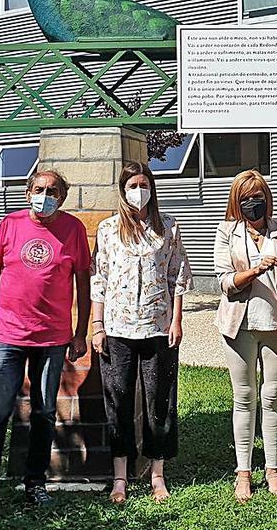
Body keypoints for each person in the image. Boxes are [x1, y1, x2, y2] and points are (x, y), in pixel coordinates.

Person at [0, 170, 91, 527]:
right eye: (38, 189)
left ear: (62, 197)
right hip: (7, 337)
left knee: (44, 413)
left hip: (51, 339)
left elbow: (83, 285)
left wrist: (79, 333)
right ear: (27, 191)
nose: (44, 195)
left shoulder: (74, 230)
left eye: (52, 191)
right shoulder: (10, 224)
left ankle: (35, 483)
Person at [91, 161, 191, 504]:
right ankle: (120, 475)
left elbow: (177, 276)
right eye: (132, 185)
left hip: (158, 327)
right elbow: (99, 279)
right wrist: (97, 325)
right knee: (118, 400)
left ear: (152, 187)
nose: (138, 191)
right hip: (117, 328)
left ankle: (157, 473)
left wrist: (177, 321)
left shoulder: (168, 227)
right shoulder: (107, 230)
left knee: (158, 401)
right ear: (122, 190)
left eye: (143, 184)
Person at [213, 170, 277, 502]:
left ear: (267, 198)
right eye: (245, 197)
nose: (252, 202)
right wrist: (256, 270)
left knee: (273, 397)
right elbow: (224, 281)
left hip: (276, 325)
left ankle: (272, 469)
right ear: (236, 200)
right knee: (243, 397)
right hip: (238, 324)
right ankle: (243, 472)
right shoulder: (225, 231)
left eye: (258, 195)